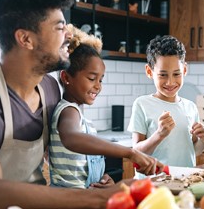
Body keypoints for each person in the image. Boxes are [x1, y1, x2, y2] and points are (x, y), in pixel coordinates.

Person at [0, 0, 160, 209]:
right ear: (25, 39)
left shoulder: (49, 89)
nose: (69, 34)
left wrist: (96, 179)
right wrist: (99, 198)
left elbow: (62, 148)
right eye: (59, 27)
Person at [49, 24, 161, 188]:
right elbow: (71, 138)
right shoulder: (68, 110)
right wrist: (130, 152)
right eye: (92, 78)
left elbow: (81, 165)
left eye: (100, 80)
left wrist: (101, 177)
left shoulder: (78, 114)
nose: (98, 86)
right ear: (66, 77)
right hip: (68, 199)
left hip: (83, 196)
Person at [128, 35, 204, 172]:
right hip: (153, 183)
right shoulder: (142, 104)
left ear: (184, 70)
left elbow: (193, 151)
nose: (170, 82)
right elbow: (136, 152)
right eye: (163, 75)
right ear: (149, 71)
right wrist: (159, 134)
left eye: (176, 74)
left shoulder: (191, 107)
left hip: (185, 181)